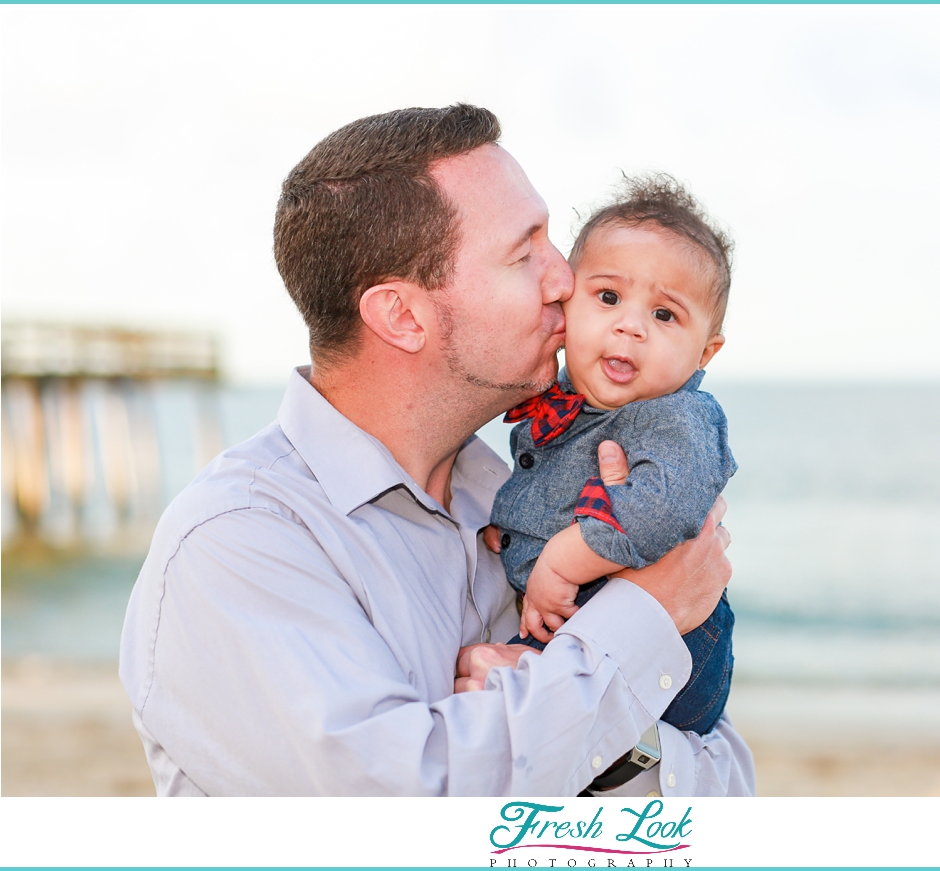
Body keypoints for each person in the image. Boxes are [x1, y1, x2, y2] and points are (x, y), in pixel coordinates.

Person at [118, 104, 754, 796]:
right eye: (525, 253)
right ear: (403, 316)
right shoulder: (237, 543)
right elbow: (412, 807)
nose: (564, 281)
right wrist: (641, 614)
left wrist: (561, 705)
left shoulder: (511, 497)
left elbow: (726, 781)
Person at [489, 174, 737, 737]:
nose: (630, 325)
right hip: (587, 629)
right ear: (566, 304)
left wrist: (558, 559)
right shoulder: (563, 408)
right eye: (608, 298)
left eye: (665, 315)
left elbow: (659, 510)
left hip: (679, 656)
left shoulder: (676, 418)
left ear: (706, 350)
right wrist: (511, 528)